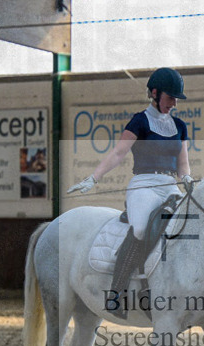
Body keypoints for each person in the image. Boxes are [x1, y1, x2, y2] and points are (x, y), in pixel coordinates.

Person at [67, 67, 193, 317]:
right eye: (170, 97)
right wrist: (94, 178)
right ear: (155, 94)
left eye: (176, 99)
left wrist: (187, 178)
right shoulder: (140, 121)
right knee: (140, 229)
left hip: (170, 186)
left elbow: (183, 163)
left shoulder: (180, 125)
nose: (174, 103)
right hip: (144, 184)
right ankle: (117, 291)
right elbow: (118, 153)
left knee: (188, 225)